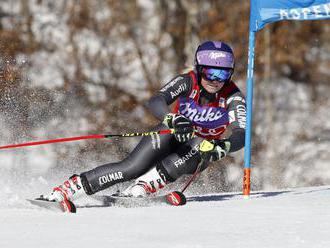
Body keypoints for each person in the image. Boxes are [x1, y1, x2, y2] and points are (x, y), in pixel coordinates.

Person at [43, 41, 247, 211]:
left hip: (196, 150)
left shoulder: (232, 96)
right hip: (170, 134)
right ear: (199, 69)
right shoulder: (188, 82)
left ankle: (143, 186)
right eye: (211, 73)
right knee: (132, 168)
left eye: (223, 75)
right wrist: (170, 118)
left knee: (201, 147)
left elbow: (241, 133)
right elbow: (157, 100)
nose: (216, 80)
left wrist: (224, 147)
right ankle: (69, 189)